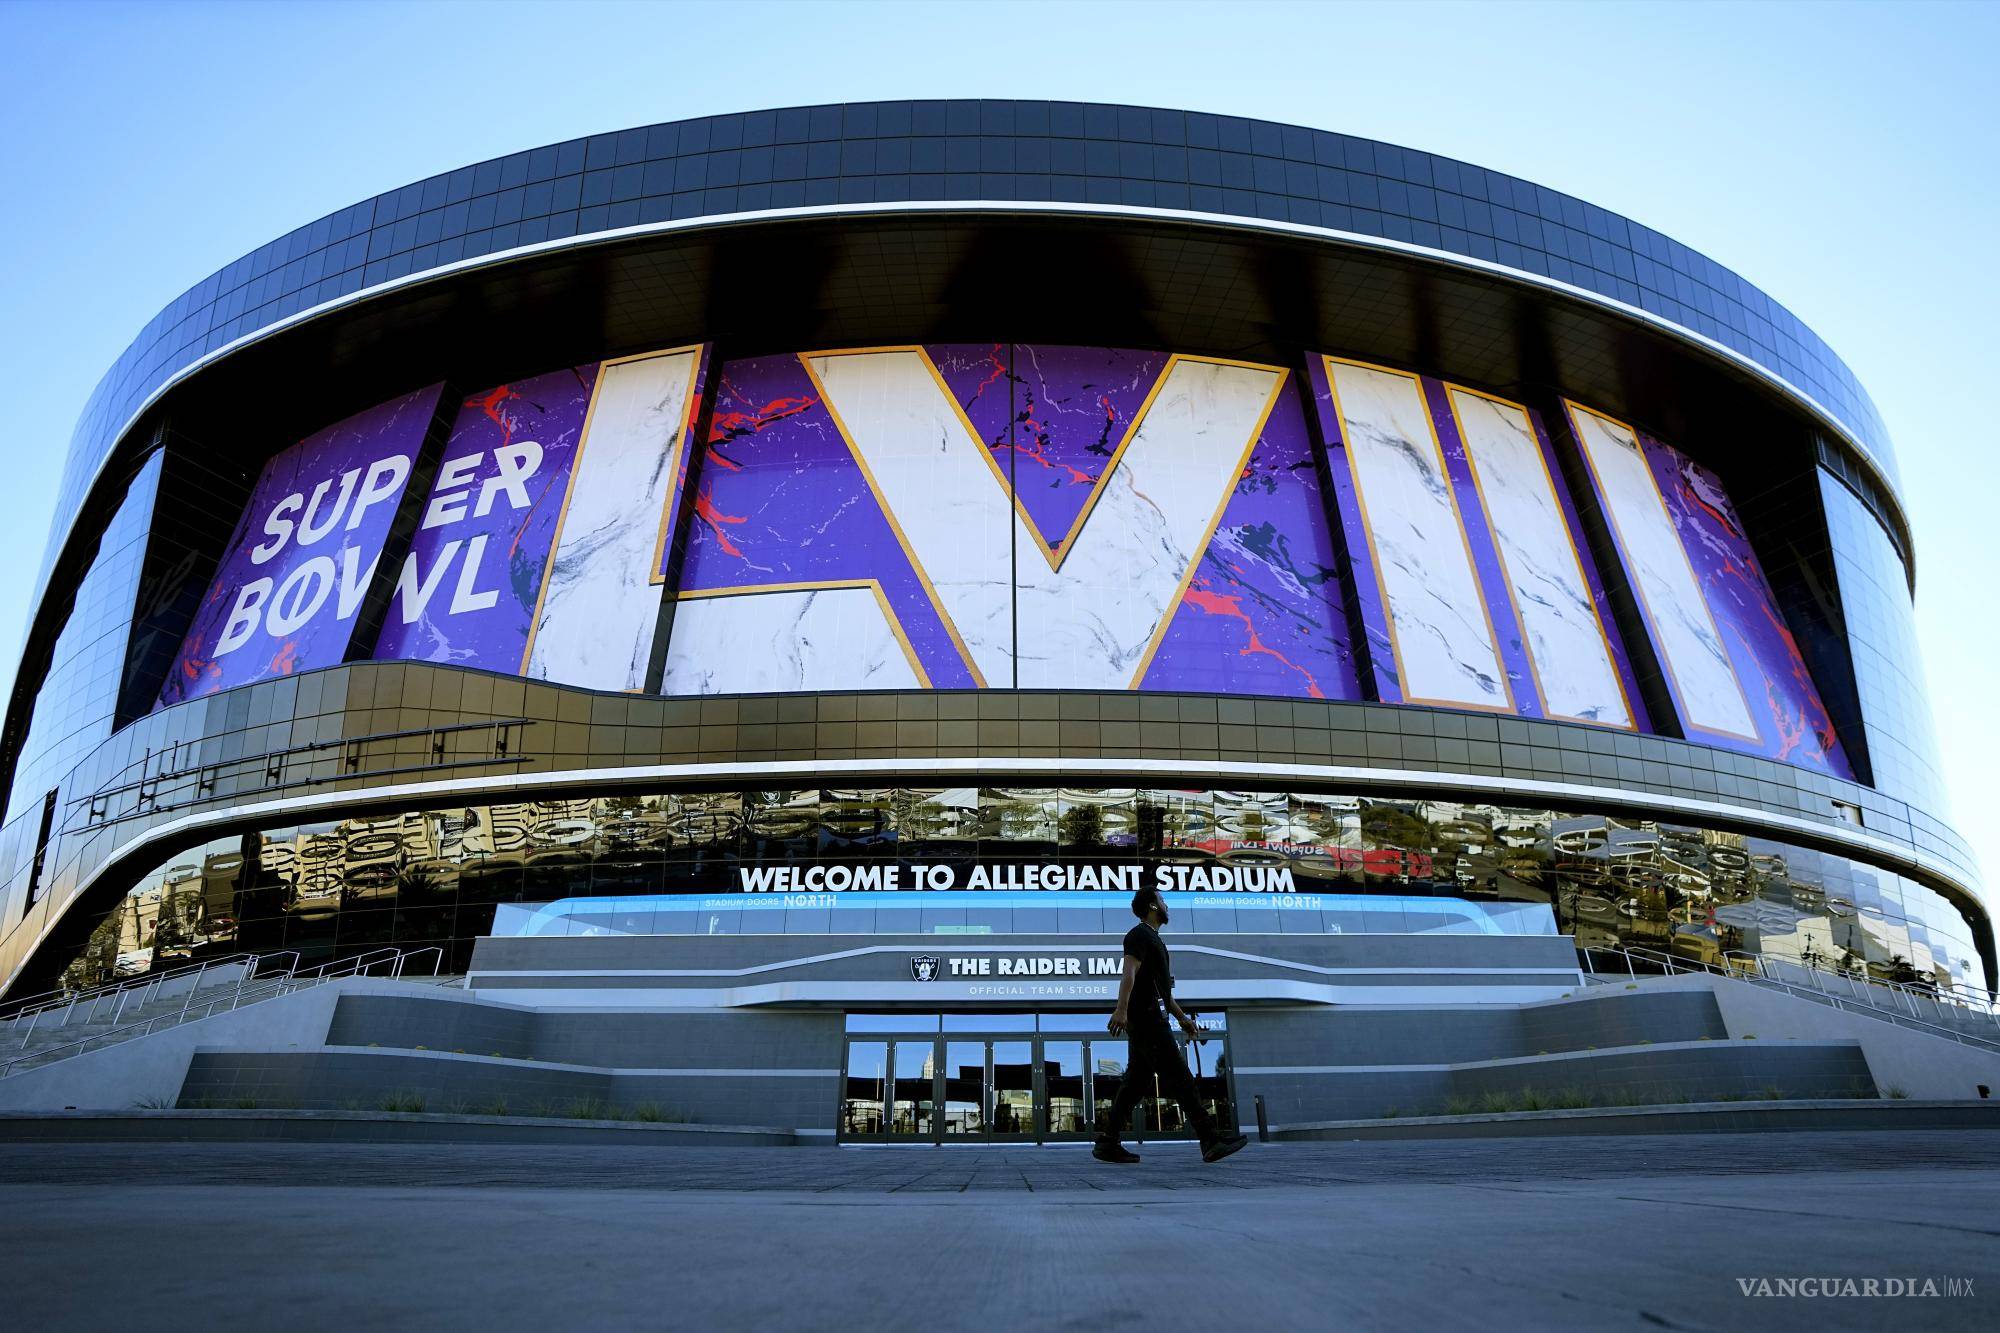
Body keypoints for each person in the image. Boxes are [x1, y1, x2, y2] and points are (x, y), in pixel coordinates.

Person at [1095, 885, 1249, 1164]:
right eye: (1162, 900)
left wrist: (1183, 1019)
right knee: (1181, 1078)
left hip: (1150, 1016)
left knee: (1134, 1085)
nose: (1166, 905)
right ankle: (1210, 1140)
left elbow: (1163, 993)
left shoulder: (1155, 940)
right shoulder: (1139, 935)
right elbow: (1128, 973)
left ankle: (1108, 1141)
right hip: (1147, 1020)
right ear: (1153, 906)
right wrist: (1121, 1009)